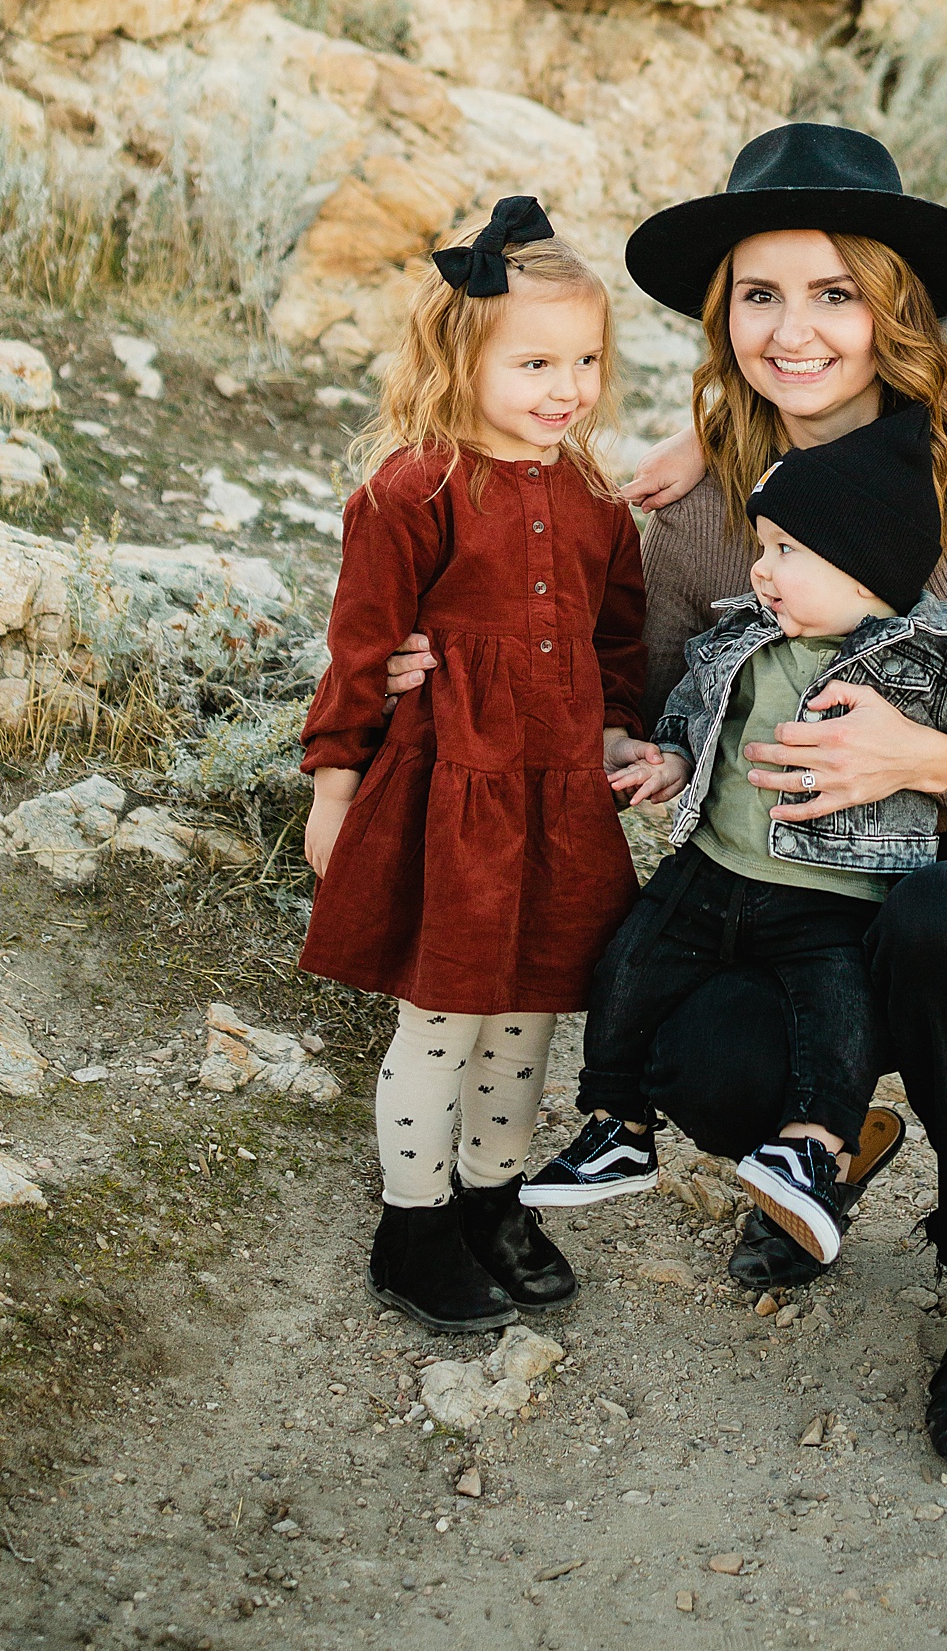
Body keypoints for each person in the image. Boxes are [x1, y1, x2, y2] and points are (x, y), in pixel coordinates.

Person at [386, 124, 947, 1469]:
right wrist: (424, 659)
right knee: (685, 1051)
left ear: (890, 313)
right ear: (724, 319)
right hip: (783, 907)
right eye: (761, 295)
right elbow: (640, 703)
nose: (797, 331)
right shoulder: (702, 518)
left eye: (836, 293)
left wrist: (931, 764)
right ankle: (833, 1137)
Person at [523, 405, 947, 1271]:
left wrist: (933, 763)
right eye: (760, 296)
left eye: (784, 553)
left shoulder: (946, 611)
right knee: (664, 1008)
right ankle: (639, 1130)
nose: (761, 569)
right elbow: (668, 695)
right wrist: (651, 750)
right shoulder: (729, 574)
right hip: (735, 869)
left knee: (893, 948)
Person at [298, 198, 649, 1335]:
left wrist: (612, 733)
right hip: (450, 793)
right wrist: (334, 789)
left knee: (530, 1017)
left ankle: (494, 1198)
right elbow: (362, 654)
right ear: (463, 358)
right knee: (445, 1017)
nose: (568, 386)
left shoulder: (597, 501)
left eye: (586, 360)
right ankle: (414, 1220)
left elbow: (618, 638)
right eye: (537, 360)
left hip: (557, 801)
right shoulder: (411, 491)